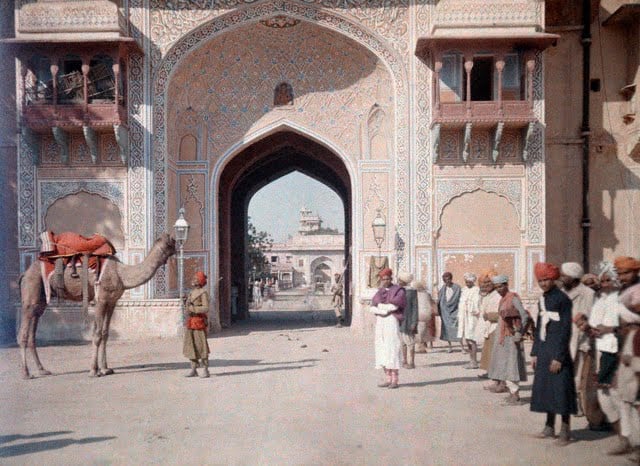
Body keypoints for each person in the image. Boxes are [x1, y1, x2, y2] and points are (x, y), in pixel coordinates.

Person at [530, 262, 577, 446]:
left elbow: (565, 329)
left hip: (558, 349)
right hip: (544, 349)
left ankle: (565, 430)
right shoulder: (543, 299)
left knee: (561, 390)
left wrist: (559, 357)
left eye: (547, 280)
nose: (543, 284)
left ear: (554, 279)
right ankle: (549, 426)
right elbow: (539, 327)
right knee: (547, 389)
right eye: (540, 281)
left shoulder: (562, 299)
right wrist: (535, 352)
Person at [587, 262, 627, 453]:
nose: (603, 284)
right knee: (606, 397)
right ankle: (624, 439)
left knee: (618, 397)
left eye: (607, 280)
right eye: (601, 280)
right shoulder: (601, 299)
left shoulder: (624, 300)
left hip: (618, 351)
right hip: (602, 349)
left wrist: (609, 329)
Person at [559, 262, 596, 417]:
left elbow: (590, 315)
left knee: (578, 375)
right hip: (562, 338)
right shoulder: (561, 292)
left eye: (564, 276)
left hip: (579, 339)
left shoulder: (587, 293)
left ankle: (578, 405)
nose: (561, 278)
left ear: (573, 277)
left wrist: (583, 322)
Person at [613, 256, 640, 461]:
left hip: (637, 346)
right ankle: (627, 440)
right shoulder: (622, 292)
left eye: (626, 273)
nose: (622, 277)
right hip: (627, 345)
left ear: (635, 272)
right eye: (620, 273)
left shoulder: (637, 292)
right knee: (623, 396)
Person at [487, 275, 528, 404]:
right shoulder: (503, 299)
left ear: (506, 285)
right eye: (496, 287)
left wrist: (519, 333)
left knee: (512, 365)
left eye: (500, 286)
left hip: (511, 338)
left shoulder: (513, 298)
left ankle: (515, 396)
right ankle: (511, 393)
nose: (498, 289)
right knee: (505, 365)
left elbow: (524, 315)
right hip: (503, 338)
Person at [370, 268, 406, 389]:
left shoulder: (398, 290)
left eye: (387, 279)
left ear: (391, 278)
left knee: (392, 347)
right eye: (383, 279)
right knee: (382, 346)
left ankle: (395, 380)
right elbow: (372, 307)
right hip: (381, 321)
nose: (385, 281)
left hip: (391, 320)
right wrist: (381, 308)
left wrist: (382, 308)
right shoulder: (379, 291)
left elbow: (395, 306)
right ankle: (387, 378)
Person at [183, 271, 211, 378]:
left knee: (201, 345)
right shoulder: (192, 292)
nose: (193, 279)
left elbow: (205, 307)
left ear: (200, 281)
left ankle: (205, 369)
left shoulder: (203, 293)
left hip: (199, 322)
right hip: (191, 321)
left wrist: (193, 308)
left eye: (196, 278)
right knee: (191, 345)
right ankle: (193, 368)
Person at [478, 270, 502, 382]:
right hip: (489, 327)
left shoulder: (498, 295)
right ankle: (490, 372)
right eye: (484, 283)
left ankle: (497, 378)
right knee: (488, 351)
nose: (486, 285)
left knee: (496, 353)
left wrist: (489, 316)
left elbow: (502, 313)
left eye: (488, 283)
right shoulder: (487, 295)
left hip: (497, 327)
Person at [457, 272, 482, 369]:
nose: (468, 284)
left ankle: (474, 361)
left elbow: (477, 304)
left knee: (472, 338)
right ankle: (471, 360)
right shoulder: (464, 290)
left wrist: (470, 307)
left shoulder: (477, 290)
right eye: (466, 282)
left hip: (472, 317)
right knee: (467, 339)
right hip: (464, 317)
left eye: (469, 282)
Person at [398, 272, 418, 369]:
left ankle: (412, 362)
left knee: (410, 342)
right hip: (400, 320)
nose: (398, 282)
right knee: (402, 343)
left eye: (400, 280)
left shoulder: (412, 292)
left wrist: (414, 322)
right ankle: (404, 360)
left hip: (409, 320)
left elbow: (415, 308)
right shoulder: (399, 291)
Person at [438, 272, 462, 353]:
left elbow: (459, 299)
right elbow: (440, 299)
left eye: (448, 279)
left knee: (457, 329)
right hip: (445, 312)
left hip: (455, 311)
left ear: (451, 279)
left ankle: (462, 347)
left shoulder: (457, 288)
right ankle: (450, 346)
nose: (447, 281)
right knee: (447, 330)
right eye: (445, 280)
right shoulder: (443, 288)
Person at [415, 281, 436, 353]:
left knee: (419, 331)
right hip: (428, 314)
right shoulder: (427, 294)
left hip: (419, 314)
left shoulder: (415, 295)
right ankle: (425, 345)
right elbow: (432, 302)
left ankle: (421, 347)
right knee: (425, 330)